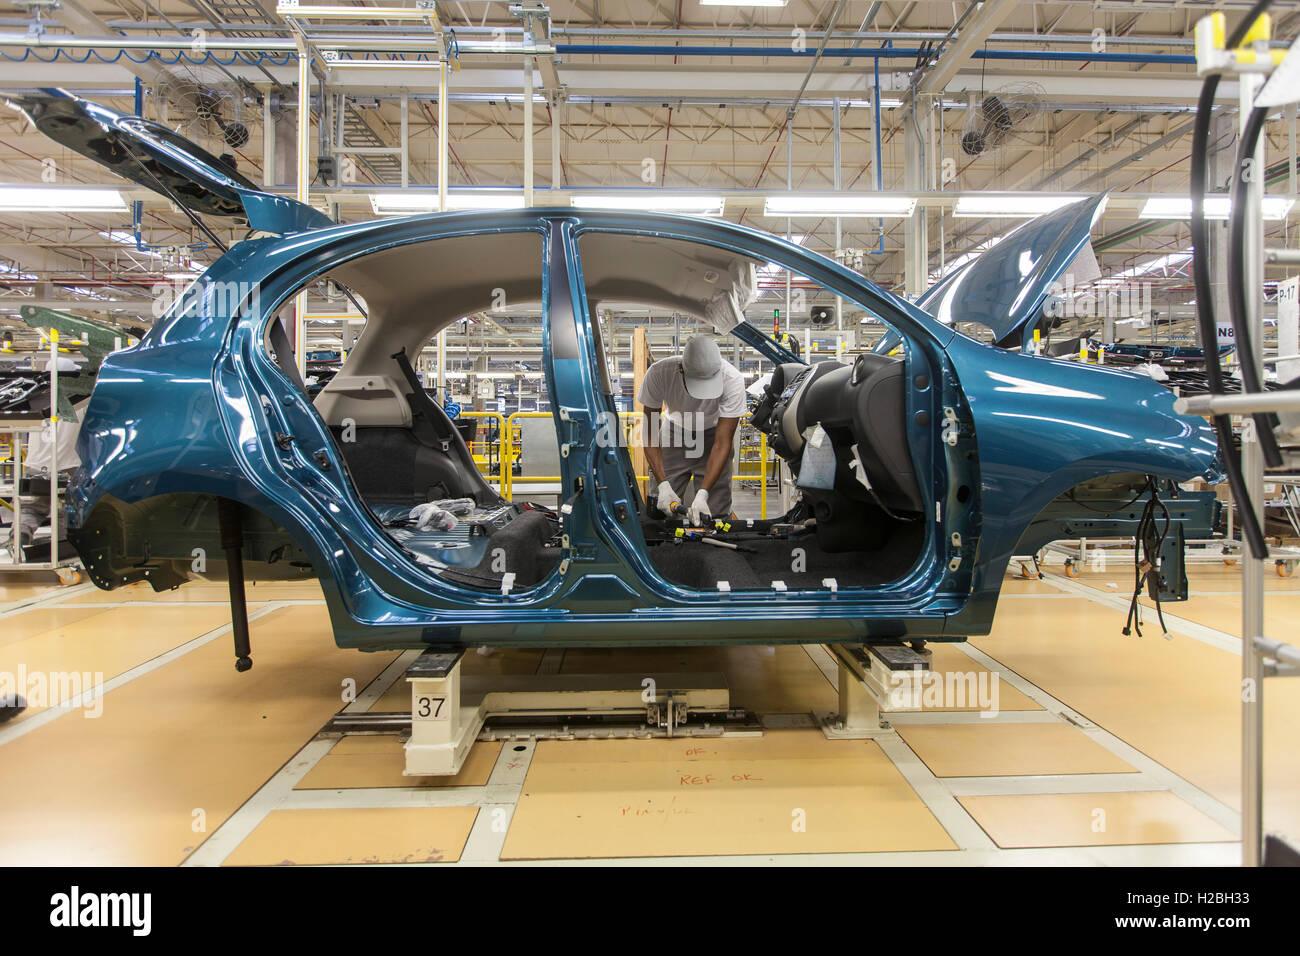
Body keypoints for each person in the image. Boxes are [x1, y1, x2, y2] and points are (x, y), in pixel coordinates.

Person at [637, 335, 746, 525]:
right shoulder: (659, 373)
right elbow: (650, 434)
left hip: (713, 436)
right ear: (681, 370)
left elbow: (722, 443)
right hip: (673, 434)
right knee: (659, 509)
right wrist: (663, 484)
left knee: (715, 512)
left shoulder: (733, 380)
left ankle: (714, 551)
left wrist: (704, 494)